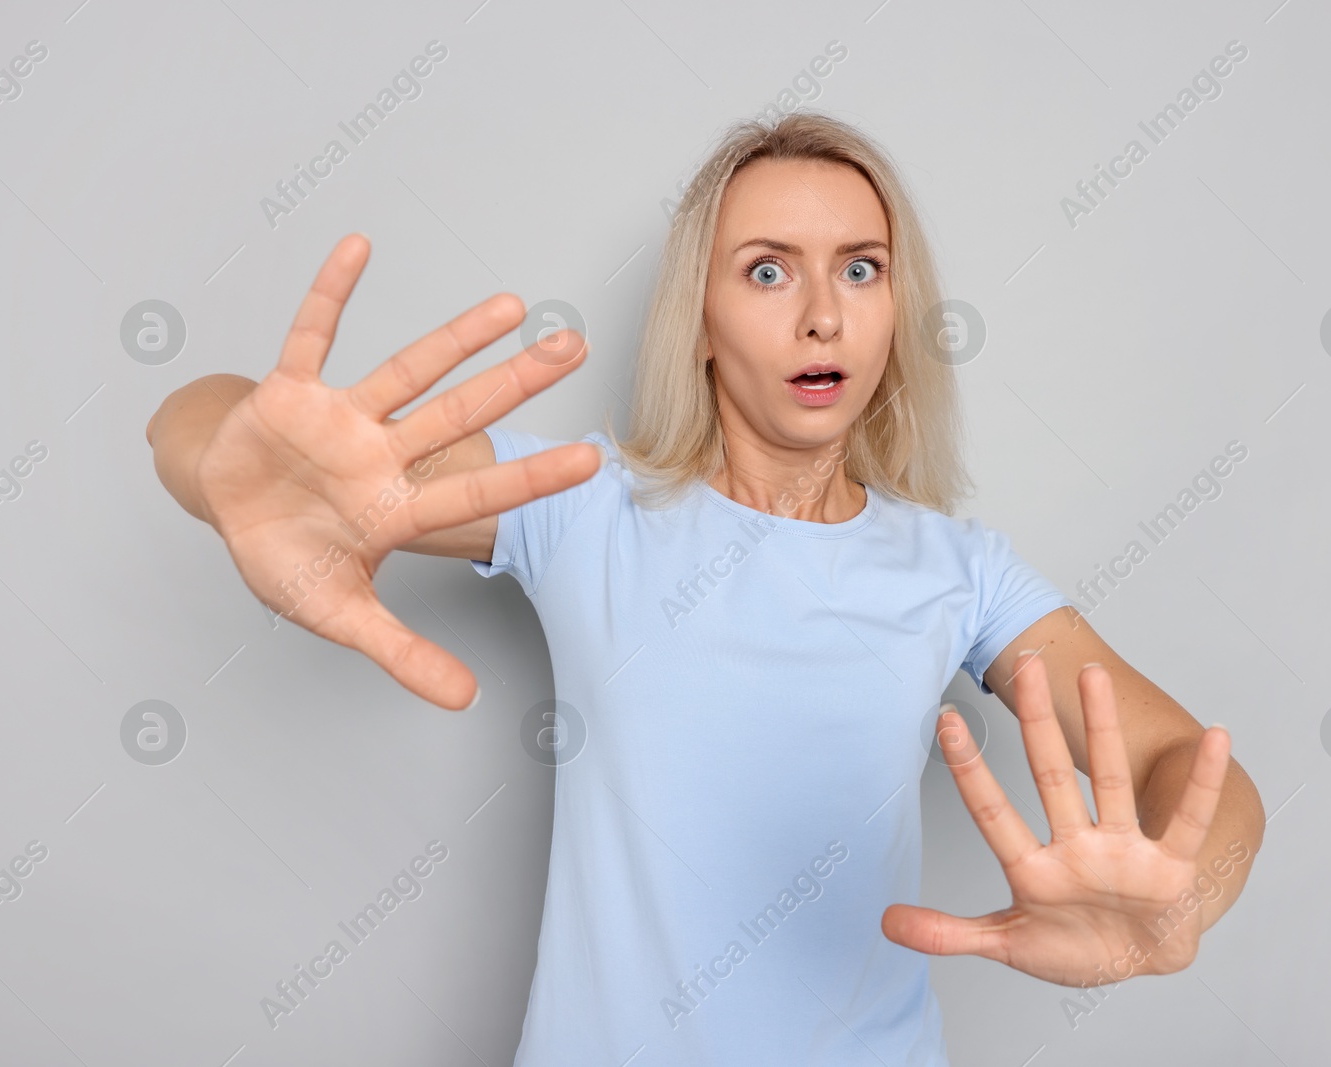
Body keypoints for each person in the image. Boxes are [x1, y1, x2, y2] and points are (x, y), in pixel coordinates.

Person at [146, 111, 1265, 1065]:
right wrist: (219, 444)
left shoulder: (958, 570)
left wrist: (1177, 900)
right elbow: (211, 432)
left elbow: (1197, 772)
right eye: (767, 269)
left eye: (860, 268)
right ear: (701, 321)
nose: (821, 312)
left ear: (889, 313)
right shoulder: (583, 507)